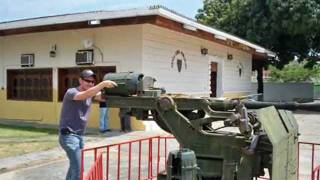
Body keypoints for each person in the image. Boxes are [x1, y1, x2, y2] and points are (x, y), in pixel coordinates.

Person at [59, 69, 117, 180]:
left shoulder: (91, 93)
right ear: (80, 80)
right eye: (87, 81)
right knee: (78, 170)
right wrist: (103, 84)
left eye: (92, 82)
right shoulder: (72, 92)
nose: (90, 83)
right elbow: (85, 95)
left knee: (74, 167)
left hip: (79, 136)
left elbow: (103, 96)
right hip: (69, 136)